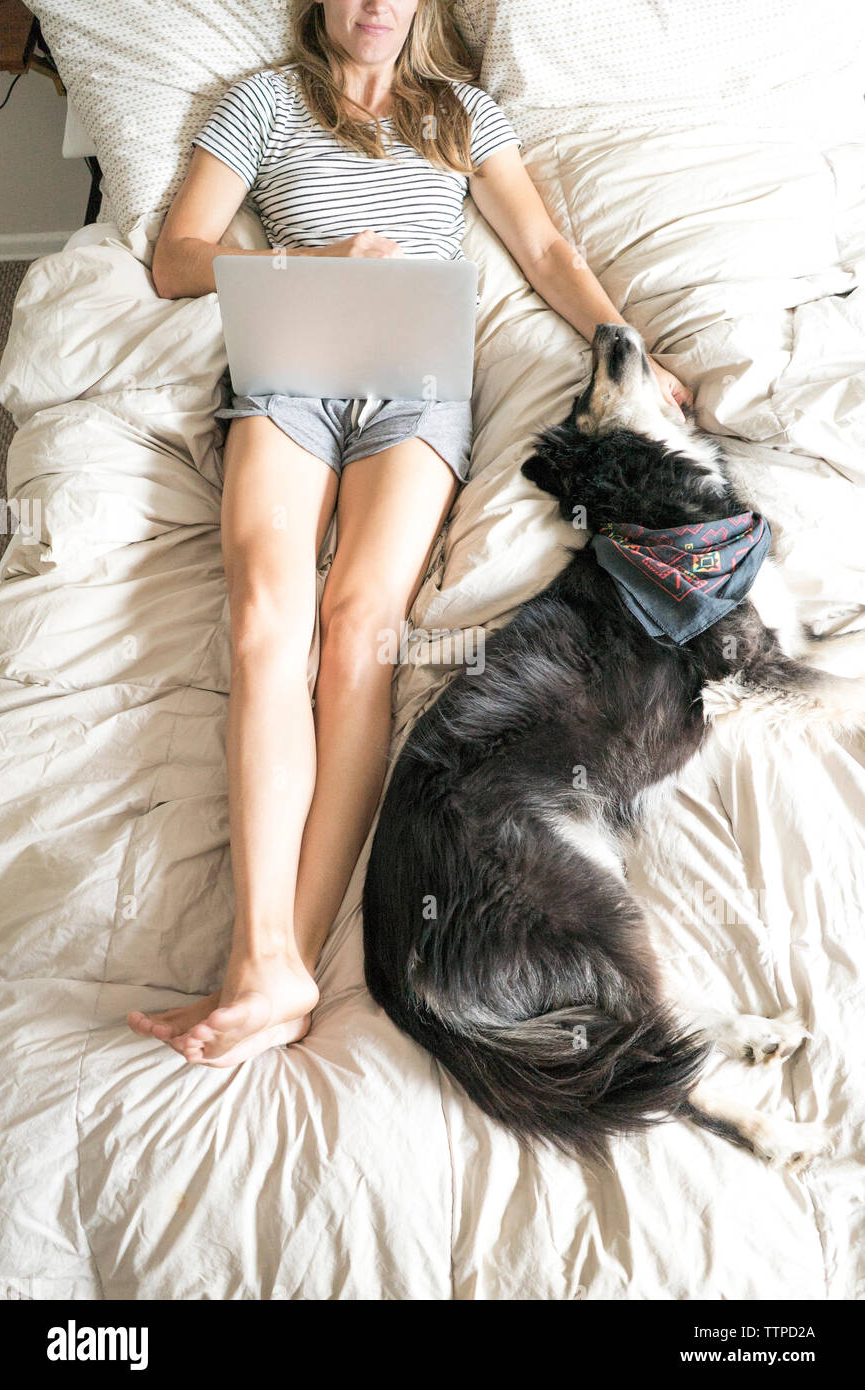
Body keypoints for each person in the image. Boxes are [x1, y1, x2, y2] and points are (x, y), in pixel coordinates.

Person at [127, 0, 692, 1067]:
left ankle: (281, 969)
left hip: (416, 385)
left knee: (360, 632)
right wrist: (311, 261)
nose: (376, 6)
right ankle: (260, 954)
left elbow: (544, 246)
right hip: (289, 369)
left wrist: (628, 348)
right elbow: (176, 257)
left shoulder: (460, 113)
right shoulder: (264, 103)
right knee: (264, 620)